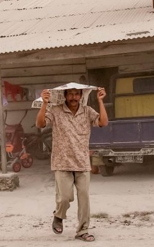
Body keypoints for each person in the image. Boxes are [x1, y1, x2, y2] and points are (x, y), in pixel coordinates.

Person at [36, 87, 108, 243]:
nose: (74, 97)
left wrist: (101, 101)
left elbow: (103, 122)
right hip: (62, 162)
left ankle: (82, 231)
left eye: (76, 94)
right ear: (65, 96)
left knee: (84, 199)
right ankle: (59, 215)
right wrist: (44, 103)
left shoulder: (87, 111)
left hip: (82, 162)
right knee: (65, 198)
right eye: (70, 94)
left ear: (81, 96)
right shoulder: (55, 110)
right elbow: (40, 124)